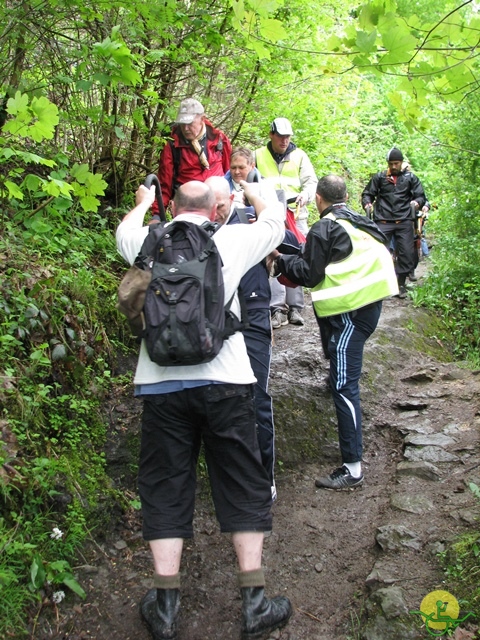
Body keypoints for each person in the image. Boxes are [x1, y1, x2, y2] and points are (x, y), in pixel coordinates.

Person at [116, 180, 292, 640]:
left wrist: (143, 203)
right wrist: (253, 192)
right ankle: (255, 603)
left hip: (158, 385)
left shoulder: (146, 239)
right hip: (227, 381)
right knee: (241, 480)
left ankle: (166, 606)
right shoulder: (230, 238)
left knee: (165, 485)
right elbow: (275, 221)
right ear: (215, 209)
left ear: (172, 207)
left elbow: (123, 230)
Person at [269, 175, 398, 490]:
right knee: (339, 370)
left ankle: (352, 468)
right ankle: (335, 378)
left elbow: (309, 274)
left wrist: (279, 261)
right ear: (346, 196)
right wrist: (285, 244)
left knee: (344, 385)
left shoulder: (323, 227)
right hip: (369, 304)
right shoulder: (353, 220)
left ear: (317, 199)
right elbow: (313, 251)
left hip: (353, 310)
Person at [206, 175, 299, 499]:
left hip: (254, 319)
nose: (213, 211)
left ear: (230, 200)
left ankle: (264, 478)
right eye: (209, 205)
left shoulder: (249, 219)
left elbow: (294, 243)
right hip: (214, 325)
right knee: (221, 401)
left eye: (218, 205)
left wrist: (268, 236)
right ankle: (231, 477)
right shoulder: (198, 229)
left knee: (256, 398)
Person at [255, 117, 317, 328]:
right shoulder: (258, 155)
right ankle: (277, 308)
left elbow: (311, 182)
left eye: (287, 136)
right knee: (272, 255)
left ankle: (296, 307)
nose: (284, 140)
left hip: (295, 213)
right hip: (270, 214)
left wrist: (306, 196)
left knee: (298, 255)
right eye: (280, 136)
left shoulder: (299, 156)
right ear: (271, 134)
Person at [361, 147, 427, 298]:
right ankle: (380, 285)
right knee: (379, 252)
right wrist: (367, 204)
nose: (394, 166)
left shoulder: (410, 178)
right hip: (383, 219)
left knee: (406, 252)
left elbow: (420, 195)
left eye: (396, 163)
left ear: (401, 163)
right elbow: (367, 194)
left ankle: (401, 284)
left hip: (403, 220)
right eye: (391, 163)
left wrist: (416, 203)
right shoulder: (379, 177)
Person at [153, 98, 232, 211]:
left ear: (202, 119)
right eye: (182, 124)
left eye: (190, 123)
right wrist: (157, 213)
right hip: (188, 206)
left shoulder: (219, 139)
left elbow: (228, 174)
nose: (185, 128)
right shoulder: (173, 144)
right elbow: (164, 183)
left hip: (216, 205)